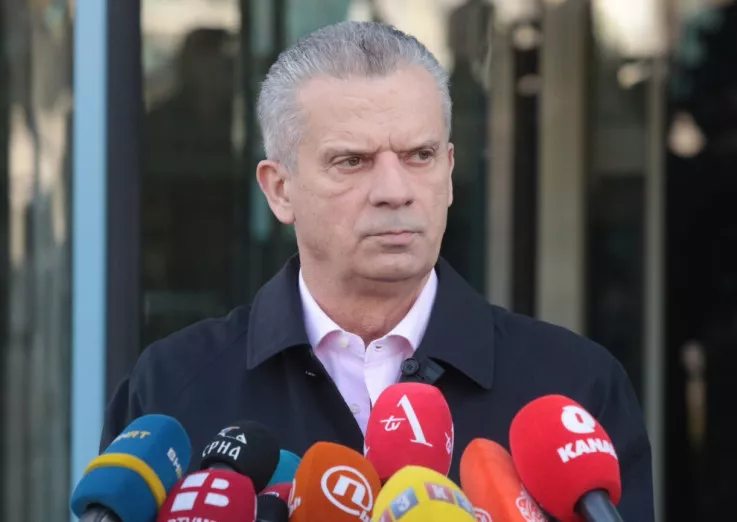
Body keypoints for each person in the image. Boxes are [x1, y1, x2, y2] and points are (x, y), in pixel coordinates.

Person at [101, 21, 654, 519]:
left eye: (420, 156)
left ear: (450, 172)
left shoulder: (573, 389)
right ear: (280, 189)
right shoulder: (173, 388)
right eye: (353, 161)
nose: (395, 191)